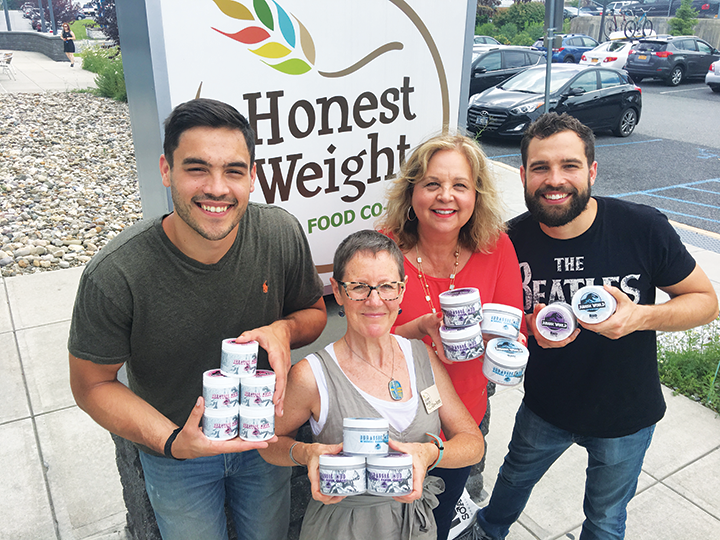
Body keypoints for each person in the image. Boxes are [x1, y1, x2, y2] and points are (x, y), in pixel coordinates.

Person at [67, 98, 327, 540]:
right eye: (196, 169)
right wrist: (171, 441)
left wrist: (284, 329)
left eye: (233, 171)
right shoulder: (115, 274)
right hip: (175, 456)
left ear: (252, 178)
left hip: (264, 439)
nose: (217, 188)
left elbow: (313, 313)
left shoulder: (279, 233)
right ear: (166, 171)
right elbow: (91, 384)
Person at [468, 112, 719, 540]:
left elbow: (705, 302)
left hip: (627, 415)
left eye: (569, 165)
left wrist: (641, 316)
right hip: (545, 408)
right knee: (509, 488)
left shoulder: (642, 227)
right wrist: (527, 328)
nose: (555, 179)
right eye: (541, 167)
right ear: (524, 173)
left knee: (604, 520)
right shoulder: (509, 241)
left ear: (592, 171)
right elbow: (499, 324)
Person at [260, 229, 485, 539]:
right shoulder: (312, 375)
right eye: (359, 287)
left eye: (387, 287)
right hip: (342, 529)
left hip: (415, 526)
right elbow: (268, 442)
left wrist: (431, 454)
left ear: (402, 291)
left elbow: (473, 442)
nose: (375, 300)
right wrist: (305, 453)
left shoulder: (422, 357)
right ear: (338, 292)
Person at [377, 133, 525, 539]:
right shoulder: (381, 250)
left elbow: (515, 328)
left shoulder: (497, 248)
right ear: (411, 193)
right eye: (431, 184)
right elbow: (365, 343)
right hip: (395, 426)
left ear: (476, 195)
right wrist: (418, 329)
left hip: (462, 425)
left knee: (437, 526)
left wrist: (506, 348)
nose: (446, 196)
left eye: (460, 185)